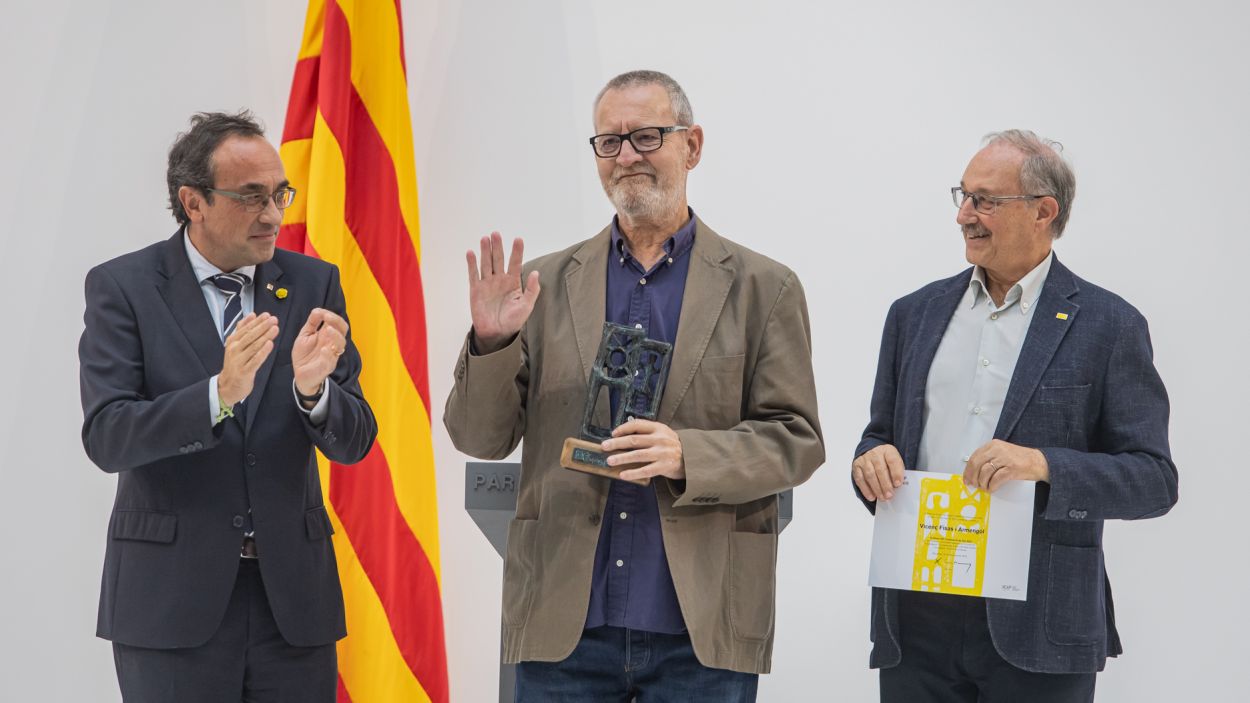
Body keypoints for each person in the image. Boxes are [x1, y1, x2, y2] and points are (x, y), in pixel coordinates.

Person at [445, 70, 824, 702]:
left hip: (699, 625)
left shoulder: (765, 287)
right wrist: (490, 343)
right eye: (609, 142)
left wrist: (687, 455)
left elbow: (797, 441)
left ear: (691, 146)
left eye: (646, 137)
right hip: (564, 621)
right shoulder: (540, 284)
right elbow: (478, 438)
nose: (626, 156)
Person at [852, 130, 1178, 702]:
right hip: (917, 613)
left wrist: (1043, 464)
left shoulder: (1109, 325)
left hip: (1041, 618)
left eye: (985, 200)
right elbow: (879, 437)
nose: (963, 216)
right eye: (962, 195)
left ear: (1043, 212)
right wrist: (870, 460)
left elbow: (1153, 480)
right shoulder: (914, 314)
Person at [79, 110, 377, 701]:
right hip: (170, 604)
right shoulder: (125, 288)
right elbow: (108, 436)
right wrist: (217, 396)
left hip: (291, 605)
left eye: (280, 194)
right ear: (194, 202)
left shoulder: (313, 283)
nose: (273, 214)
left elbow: (357, 438)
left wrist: (315, 393)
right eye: (251, 196)